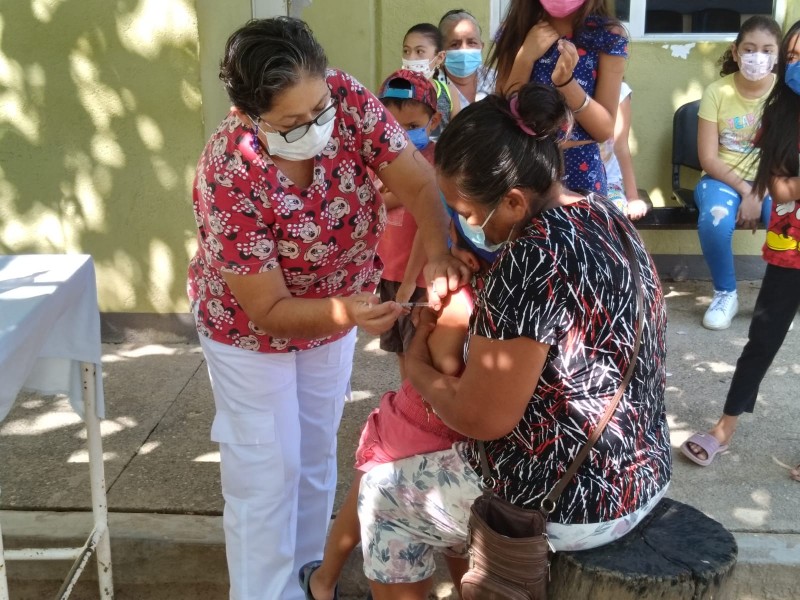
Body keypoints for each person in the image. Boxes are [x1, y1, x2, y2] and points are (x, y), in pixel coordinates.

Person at [186, 17, 469, 600]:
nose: (315, 127)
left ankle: (312, 581)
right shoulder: (230, 171)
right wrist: (346, 312)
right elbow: (266, 308)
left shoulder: (343, 98)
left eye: (319, 110)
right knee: (265, 477)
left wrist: (437, 252)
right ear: (248, 112)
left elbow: (418, 183)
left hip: (340, 311)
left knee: (314, 456)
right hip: (248, 336)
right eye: (292, 122)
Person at [357, 82, 671, 599]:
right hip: (643, 472)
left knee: (381, 497)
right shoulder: (606, 216)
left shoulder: (530, 258)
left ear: (513, 199)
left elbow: (484, 418)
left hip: (574, 503)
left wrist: (418, 369)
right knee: (444, 463)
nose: (467, 224)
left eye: (470, 212)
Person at [298, 278, 473, 600]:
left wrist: (420, 334)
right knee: (458, 540)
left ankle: (323, 582)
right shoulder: (506, 297)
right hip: (454, 433)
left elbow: (444, 365)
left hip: (417, 423)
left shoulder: (458, 300)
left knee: (369, 492)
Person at [681, 20, 800, 481]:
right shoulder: (777, 116)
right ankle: (723, 430)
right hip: (789, 249)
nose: (796, 64)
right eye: (792, 57)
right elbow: (780, 183)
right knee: (761, 341)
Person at [489, 0, 628, 196]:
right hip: (525, 165)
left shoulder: (609, 35)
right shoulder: (516, 29)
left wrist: (566, 84)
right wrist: (525, 57)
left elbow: (604, 129)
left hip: (581, 172)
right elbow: (501, 113)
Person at [694, 16, 780, 330]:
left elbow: (788, 156)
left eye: (768, 50)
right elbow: (708, 157)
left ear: (779, 54)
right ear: (735, 52)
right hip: (722, 179)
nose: (758, 57)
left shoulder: (786, 95)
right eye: (750, 48)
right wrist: (747, 191)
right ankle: (725, 294)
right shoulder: (717, 92)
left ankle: (781, 296)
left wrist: (760, 191)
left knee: (789, 219)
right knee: (715, 220)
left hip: (773, 180)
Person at [374, 70, 442, 379]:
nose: (401, 134)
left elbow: (428, 226)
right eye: (393, 126)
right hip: (388, 273)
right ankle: (406, 411)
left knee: (422, 353)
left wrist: (410, 281)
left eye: (412, 126)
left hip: (419, 279)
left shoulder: (437, 163)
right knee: (401, 350)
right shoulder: (376, 159)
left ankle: (420, 414)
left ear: (434, 121)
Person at [600, 81, 649, 220]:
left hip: (608, 181)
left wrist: (632, 198)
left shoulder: (619, 90)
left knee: (613, 214)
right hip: (566, 180)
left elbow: (621, 147)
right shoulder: (567, 85)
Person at [401, 22, 461, 135]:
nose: (411, 58)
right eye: (406, 51)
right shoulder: (391, 89)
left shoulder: (449, 92)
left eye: (419, 51)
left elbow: (457, 136)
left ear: (439, 57)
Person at [437, 9, 496, 109]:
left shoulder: (494, 79)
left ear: (481, 47)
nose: (464, 49)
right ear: (441, 51)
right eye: (454, 44)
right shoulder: (432, 86)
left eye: (471, 42)